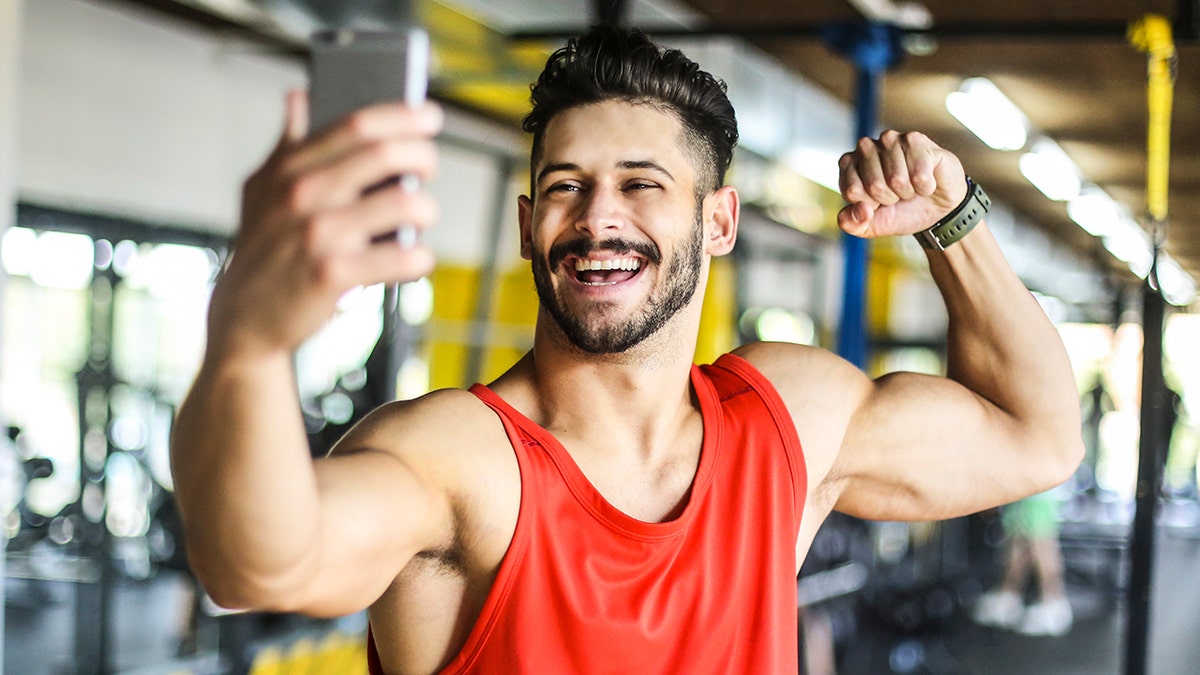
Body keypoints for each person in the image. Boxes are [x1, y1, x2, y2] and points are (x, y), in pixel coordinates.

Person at [170, 25, 1084, 674]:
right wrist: (245, 344)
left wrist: (957, 228)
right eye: (567, 187)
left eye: (641, 184)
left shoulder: (789, 419)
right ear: (529, 225)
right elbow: (256, 564)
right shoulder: (457, 460)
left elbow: (1040, 436)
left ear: (717, 219)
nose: (599, 215)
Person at [972, 490, 1074, 637]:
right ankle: (1009, 596)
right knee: (1017, 541)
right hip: (1023, 492)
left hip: (1039, 490)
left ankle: (1053, 602)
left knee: (1040, 541)